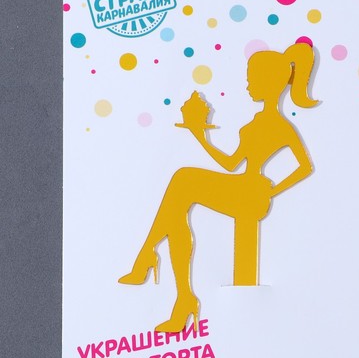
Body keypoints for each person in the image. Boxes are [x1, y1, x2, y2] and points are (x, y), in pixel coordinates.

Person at [119, 41, 318, 332]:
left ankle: (153, 264)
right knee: (179, 197)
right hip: (243, 186)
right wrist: (201, 136)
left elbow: (304, 167)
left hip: (252, 195)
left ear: (268, 83)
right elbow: (231, 164)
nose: (247, 85)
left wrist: (273, 190)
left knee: (182, 182)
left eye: (251, 79)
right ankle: (177, 291)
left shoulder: (281, 126)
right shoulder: (257, 122)